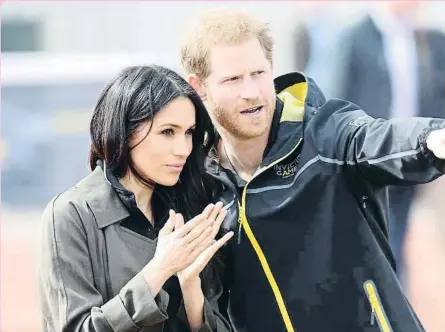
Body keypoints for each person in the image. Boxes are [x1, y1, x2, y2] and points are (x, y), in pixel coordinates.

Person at [178, 7, 445, 332]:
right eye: (233, 79)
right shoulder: (197, 185)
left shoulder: (326, 134)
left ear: (272, 65)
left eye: (258, 73)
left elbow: (374, 138)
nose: (251, 91)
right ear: (199, 87)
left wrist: (432, 140)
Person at [36, 65, 234, 332]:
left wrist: (191, 290)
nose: (183, 149)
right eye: (167, 132)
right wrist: (159, 269)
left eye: (189, 132)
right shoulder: (71, 215)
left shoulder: (188, 209)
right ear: (125, 132)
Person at [333, 1, 445, 278]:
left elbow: (434, 93)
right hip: (372, 155)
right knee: (377, 236)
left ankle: (396, 299)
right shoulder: (355, 37)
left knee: (399, 233)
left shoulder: (424, 38)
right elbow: (340, 101)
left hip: (414, 152)